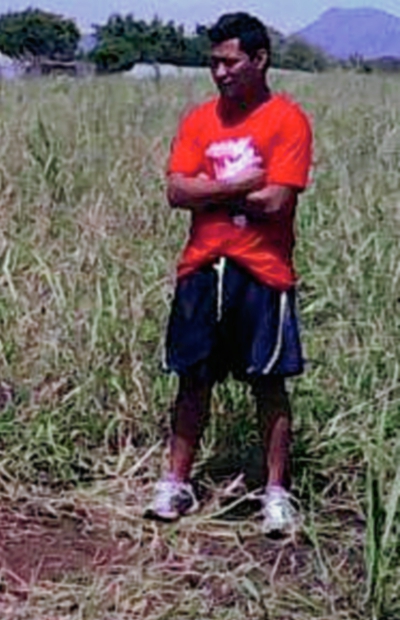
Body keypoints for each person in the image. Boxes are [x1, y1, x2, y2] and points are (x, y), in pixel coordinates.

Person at [147, 12, 313, 535]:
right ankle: (175, 484)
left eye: (230, 62)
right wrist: (243, 182)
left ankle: (276, 494)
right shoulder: (199, 120)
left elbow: (276, 199)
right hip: (202, 266)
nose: (219, 73)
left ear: (259, 60)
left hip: (262, 270)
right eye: (213, 63)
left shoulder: (288, 120)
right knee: (192, 378)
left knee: (269, 382)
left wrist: (211, 189)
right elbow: (177, 191)